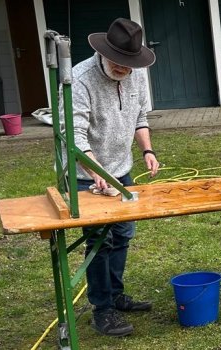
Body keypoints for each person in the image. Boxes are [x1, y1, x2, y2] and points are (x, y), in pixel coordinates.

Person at [70, 18, 159, 336]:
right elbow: (75, 136)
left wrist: (147, 150)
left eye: (129, 63)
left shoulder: (136, 74)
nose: (124, 68)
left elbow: (140, 116)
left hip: (122, 170)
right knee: (99, 241)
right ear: (104, 53)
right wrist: (96, 172)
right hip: (86, 174)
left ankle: (116, 296)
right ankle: (103, 309)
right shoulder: (79, 79)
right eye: (118, 62)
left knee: (122, 235)